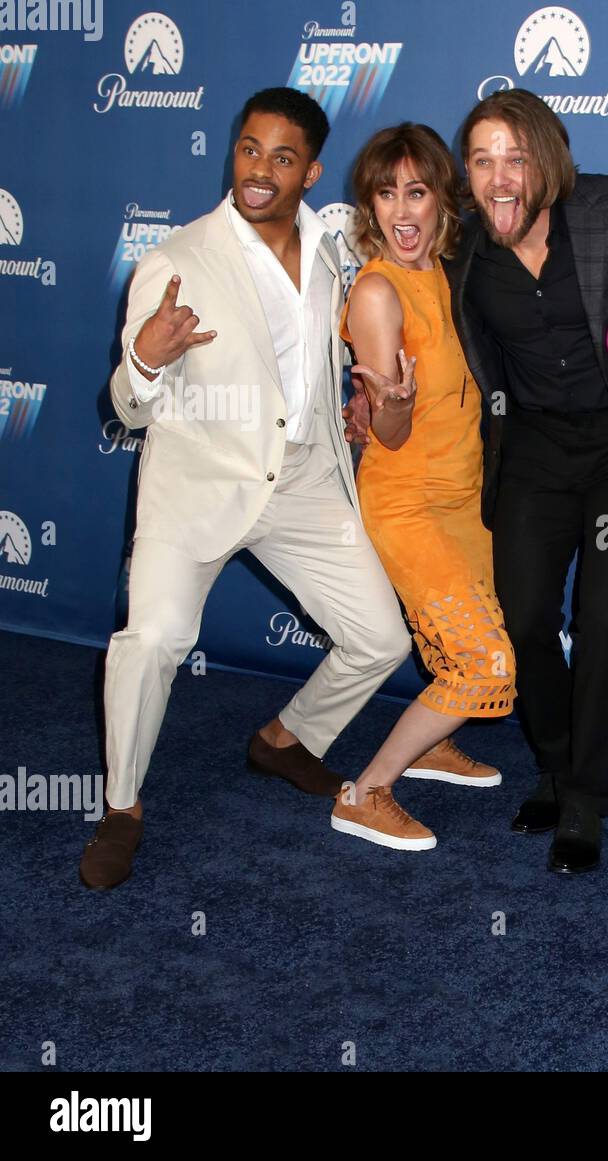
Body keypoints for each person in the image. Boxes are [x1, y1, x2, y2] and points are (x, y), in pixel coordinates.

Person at [81, 88, 411, 889]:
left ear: (311, 172)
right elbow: (127, 406)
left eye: (283, 157)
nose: (260, 169)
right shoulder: (177, 261)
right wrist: (149, 359)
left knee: (382, 640)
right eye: (249, 149)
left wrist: (358, 406)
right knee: (154, 638)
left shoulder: (333, 247)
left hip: (302, 477)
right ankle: (122, 807)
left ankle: (286, 738)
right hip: (197, 479)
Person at [454, 89, 608, 874]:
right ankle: (553, 762)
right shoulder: (466, 253)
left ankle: (586, 797)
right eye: (482, 160)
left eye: (515, 157)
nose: (499, 177)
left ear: (550, 160)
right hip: (536, 451)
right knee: (523, 615)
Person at [330, 123, 517, 851]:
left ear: (444, 200)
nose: (403, 211)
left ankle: (430, 746)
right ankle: (365, 789)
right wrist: (392, 403)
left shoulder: (449, 272)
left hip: (465, 495)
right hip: (408, 498)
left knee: (462, 649)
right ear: (369, 206)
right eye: (386, 193)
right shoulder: (378, 292)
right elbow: (394, 432)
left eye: (418, 191)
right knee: (485, 661)